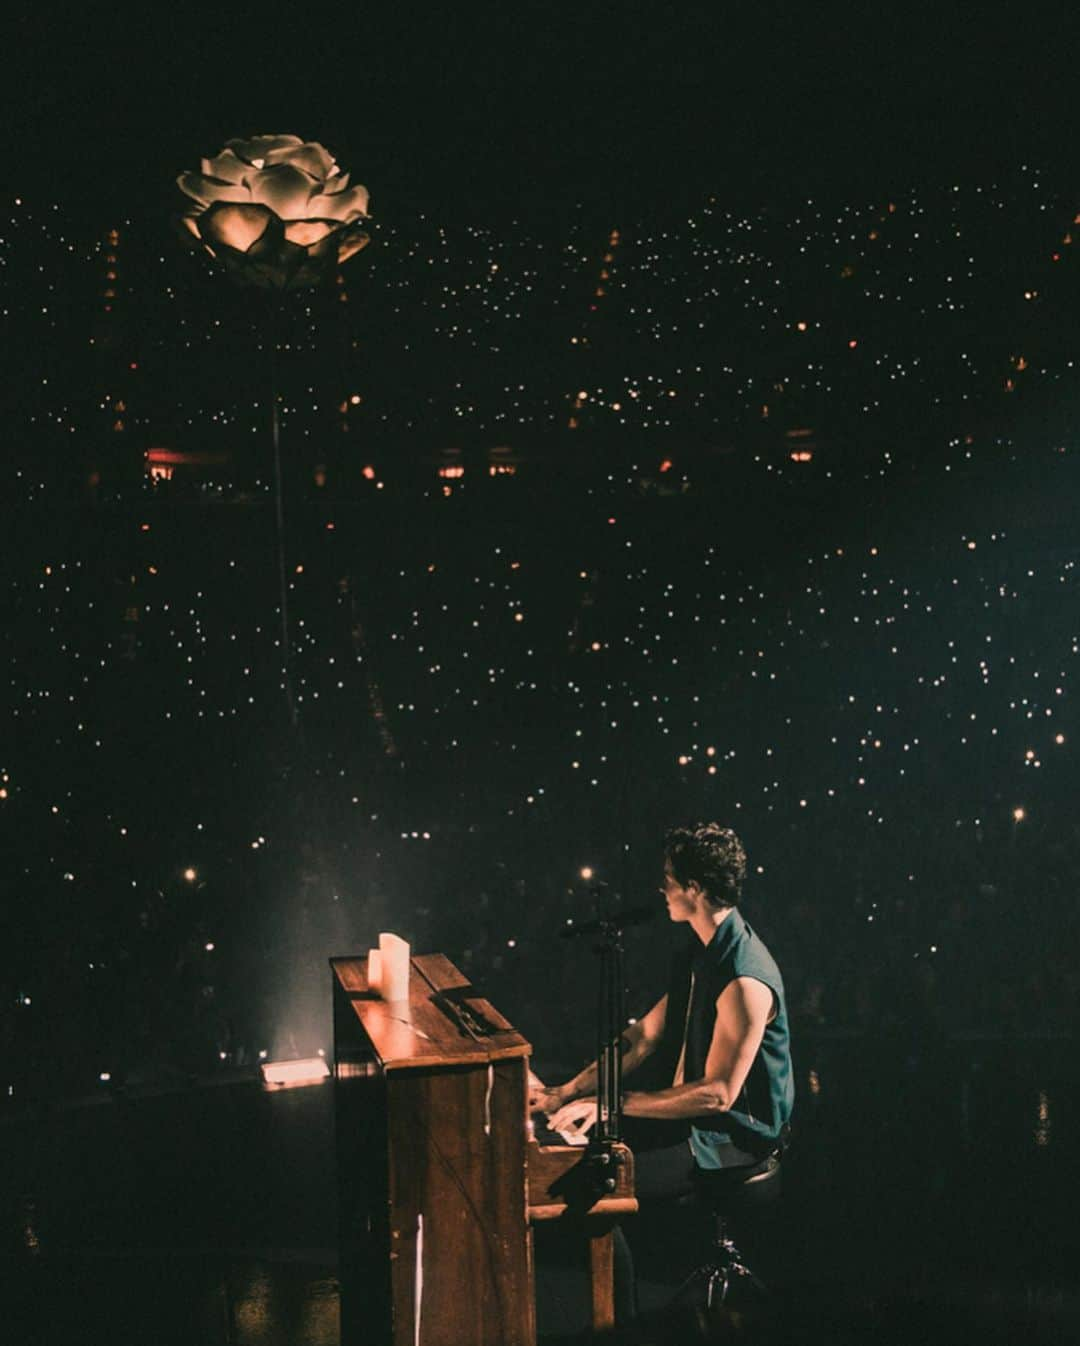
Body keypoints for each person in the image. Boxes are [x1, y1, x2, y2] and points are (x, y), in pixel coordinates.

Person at [530, 822, 794, 1316]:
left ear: (694, 888)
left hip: (732, 1140)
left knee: (599, 1182)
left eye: (670, 879)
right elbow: (643, 1037)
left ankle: (623, 1326)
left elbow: (719, 1094)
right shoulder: (705, 953)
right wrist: (565, 1093)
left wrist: (612, 1102)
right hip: (700, 1126)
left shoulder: (744, 976)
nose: (662, 888)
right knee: (591, 1151)